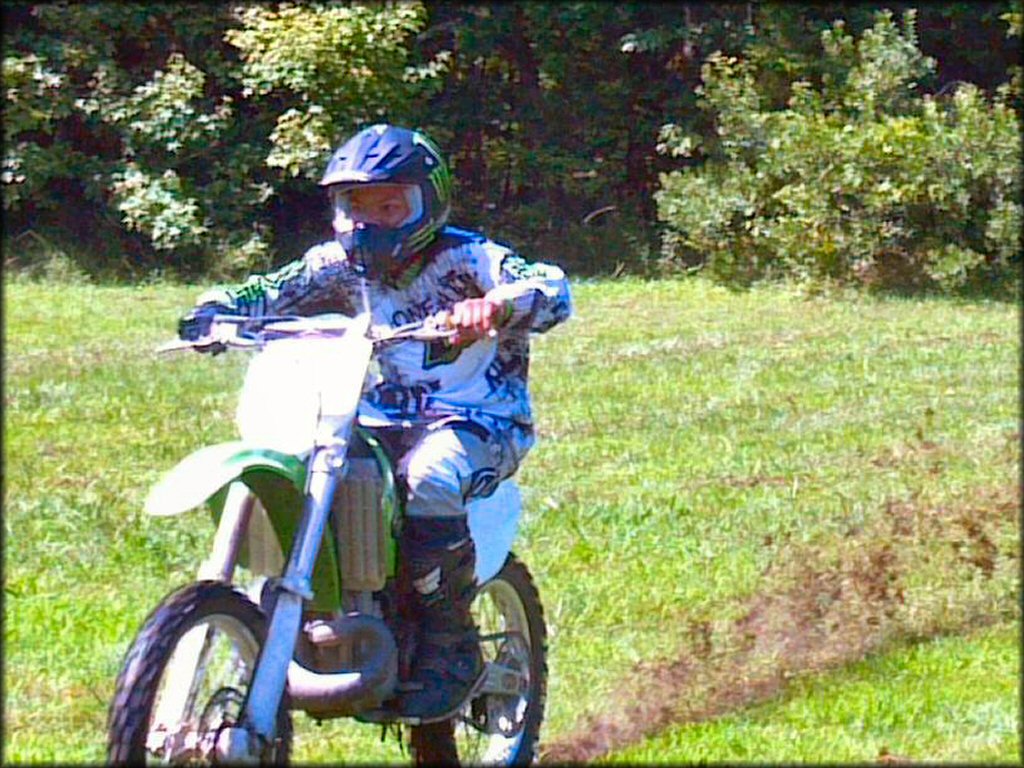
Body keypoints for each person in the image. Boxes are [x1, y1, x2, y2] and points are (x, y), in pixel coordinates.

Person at [178, 123, 572, 719]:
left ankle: (449, 645)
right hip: (375, 415)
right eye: (354, 207)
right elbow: (270, 288)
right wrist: (217, 312)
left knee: (432, 478)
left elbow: (552, 287)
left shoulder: (471, 257)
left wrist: (496, 305)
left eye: (391, 206)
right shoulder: (339, 264)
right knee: (308, 463)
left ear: (427, 202)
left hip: (477, 421)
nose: (370, 223)